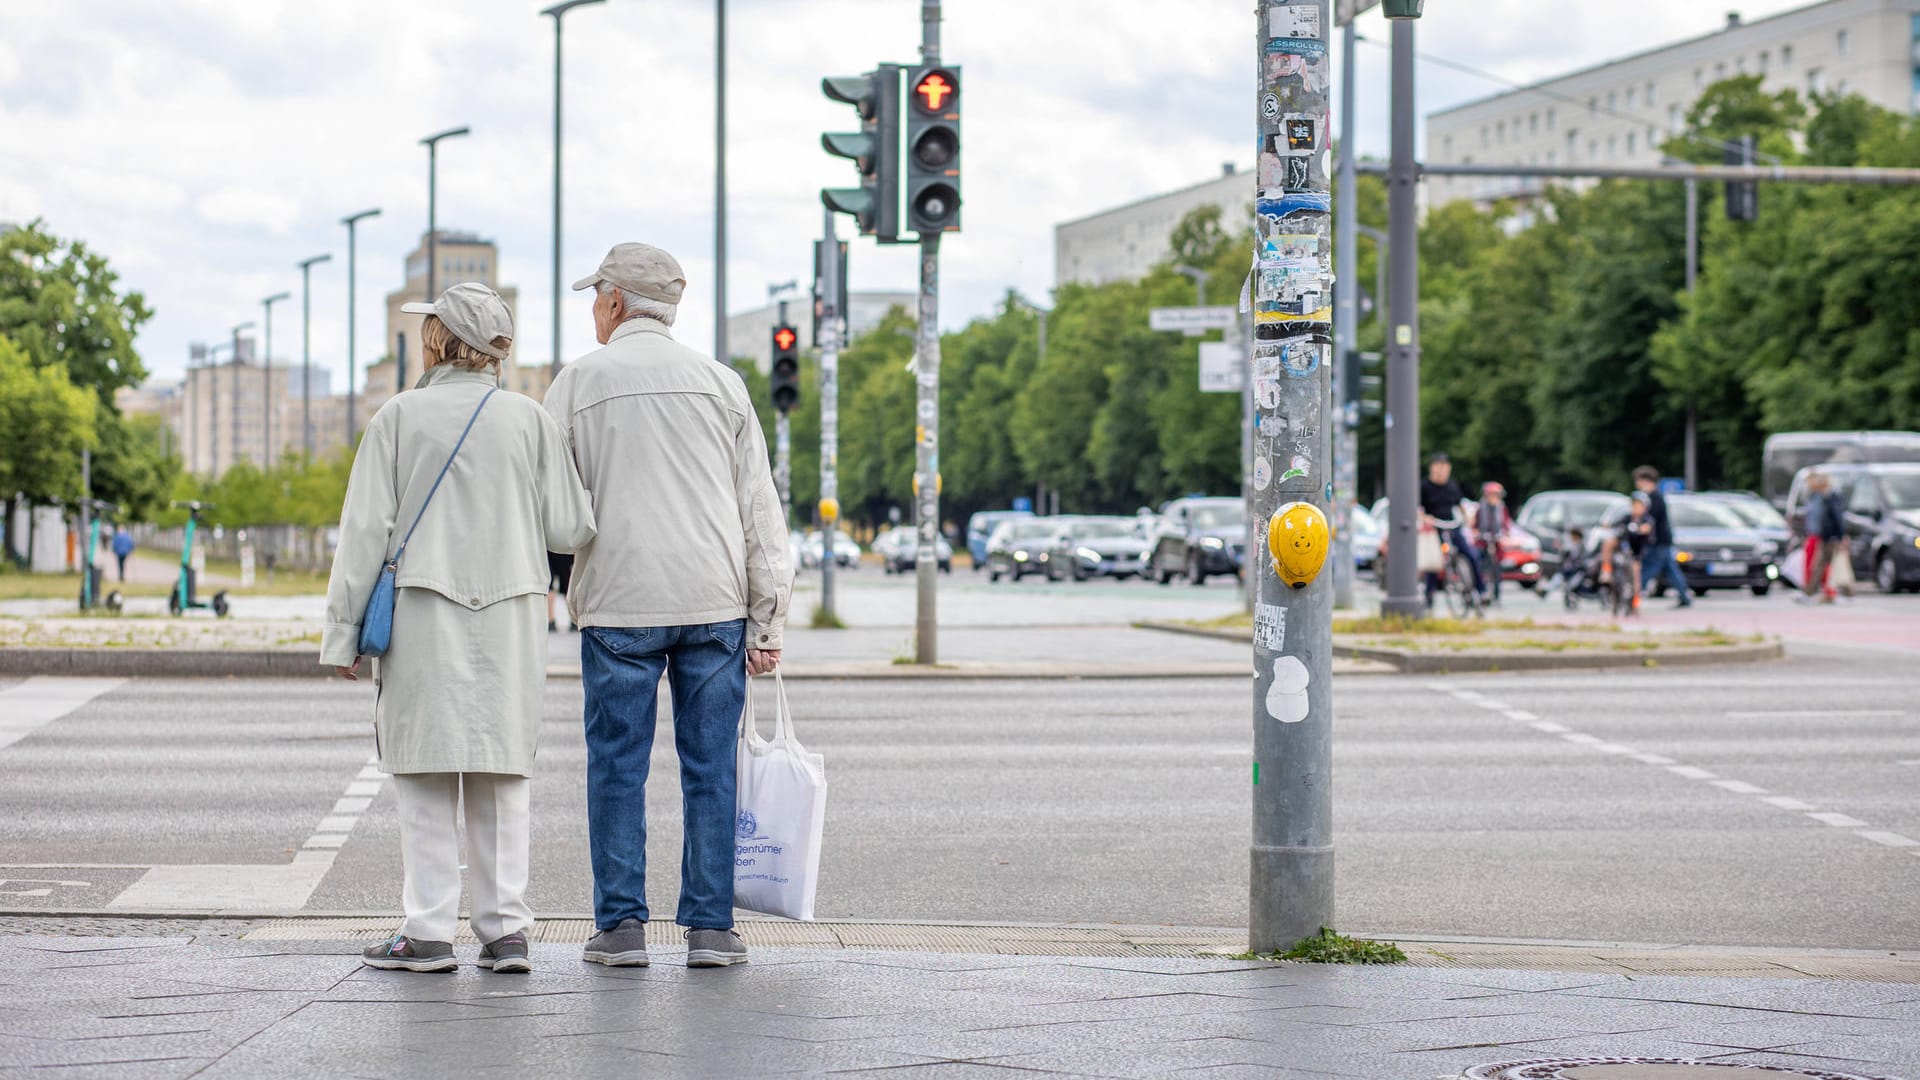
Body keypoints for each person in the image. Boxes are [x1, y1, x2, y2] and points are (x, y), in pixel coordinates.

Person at [322, 283, 596, 974]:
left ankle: (428, 932)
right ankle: (506, 932)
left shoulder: (398, 417)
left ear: (441, 339)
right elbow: (569, 527)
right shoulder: (528, 421)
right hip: (509, 614)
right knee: (503, 774)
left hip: (420, 613)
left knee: (424, 774)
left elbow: (362, 533)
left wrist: (343, 634)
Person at [545, 243, 793, 970]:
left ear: (617, 303)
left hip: (620, 602)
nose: (594, 307)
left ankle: (621, 928)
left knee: (617, 766)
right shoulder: (723, 384)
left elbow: (556, 512)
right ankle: (711, 928)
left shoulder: (577, 384)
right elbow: (759, 511)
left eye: (598, 295)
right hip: (714, 601)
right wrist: (767, 617)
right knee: (711, 766)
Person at [1419, 453, 1485, 606]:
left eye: (1445, 467)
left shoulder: (1452, 485)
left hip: (1452, 525)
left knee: (1470, 554)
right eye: (1439, 466)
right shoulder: (1424, 486)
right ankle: (1429, 596)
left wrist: (1467, 517)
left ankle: (1480, 591)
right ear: (1432, 468)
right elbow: (1419, 509)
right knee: (1434, 563)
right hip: (1435, 528)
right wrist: (1425, 518)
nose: (1442, 471)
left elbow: (1460, 504)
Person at [1632, 466, 1690, 608]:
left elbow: (1651, 520)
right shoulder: (1655, 496)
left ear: (1645, 481)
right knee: (1671, 570)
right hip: (1662, 541)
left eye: (1638, 481)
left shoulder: (1654, 498)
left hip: (1658, 542)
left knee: (1647, 569)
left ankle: (1634, 596)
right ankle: (1684, 597)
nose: (1637, 485)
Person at [1800, 471, 1850, 603]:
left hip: (1831, 537)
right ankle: (1812, 593)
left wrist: (1839, 536)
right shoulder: (1821, 496)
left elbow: (1837, 518)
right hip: (1825, 536)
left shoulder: (1832, 497)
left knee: (1831, 566)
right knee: (1823, 566)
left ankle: (1840, 593)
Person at [1473, 482, 1510, 606]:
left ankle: (1497, 596)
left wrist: (1504, 534)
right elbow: (1475, 525)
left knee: (1497, 569)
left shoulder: (1502, 508)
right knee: (1478, 563)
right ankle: (1481, 592)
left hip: (1496, 541)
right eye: (1491, 495)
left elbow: (1506, 524)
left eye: (1496, 495)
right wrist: (1477, 533)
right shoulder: (1481, 508)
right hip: (1482, 541)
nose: (1493, 498)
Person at [547, 550, 573, 632]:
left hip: (549, 549)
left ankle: (551, 620)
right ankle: (573, 619)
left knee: (549, 584)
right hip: (563, 549)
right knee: (567, 584)